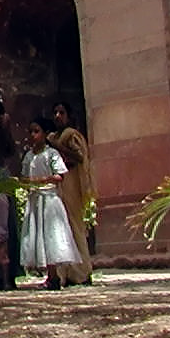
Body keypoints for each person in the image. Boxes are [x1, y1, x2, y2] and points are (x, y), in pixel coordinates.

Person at [20, 118, 80, 289]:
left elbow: (60, 175)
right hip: (35, 199)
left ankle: (54, 276)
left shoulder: (51, 154)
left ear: (45, 134)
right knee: (39, 234)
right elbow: (24, 176)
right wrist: (27, 183)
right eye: (30, 131)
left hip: (49, 199)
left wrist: (43, 180)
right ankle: (49, 275)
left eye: (36, 131)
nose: (32, 135)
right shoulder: (29, 156)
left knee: (50, 235)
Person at [50, 101, 96, 286]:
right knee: (61, 229)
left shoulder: (71, 135)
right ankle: (65, 273)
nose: (58, 116)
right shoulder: (53, 136)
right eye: (55, 112)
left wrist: (58, 147)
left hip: (71, 185)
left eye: (62, 112)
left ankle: (82, 272)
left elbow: (79, 157)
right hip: (58, 186)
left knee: (75, 227)